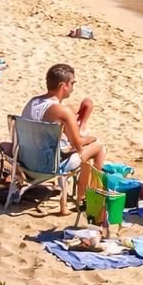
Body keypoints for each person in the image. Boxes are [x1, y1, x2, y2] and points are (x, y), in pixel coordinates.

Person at [20, 64, 105, 202]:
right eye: (72, 83)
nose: (73, 87)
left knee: (73, 144)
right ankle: (86, 198)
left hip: (25, 161)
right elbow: (78, 146)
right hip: (48, 166)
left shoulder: (33, 102)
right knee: (99, 146)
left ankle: (84, 196)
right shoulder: (62, 111)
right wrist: (88, 139)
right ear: (62, 86)